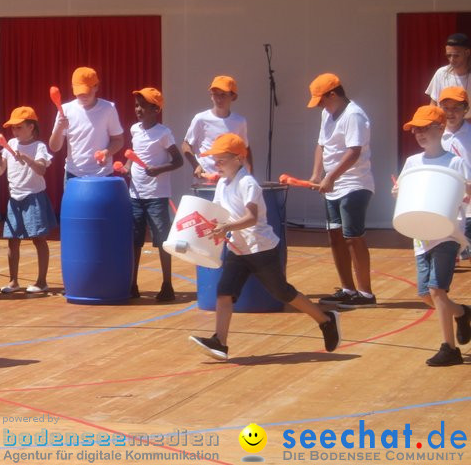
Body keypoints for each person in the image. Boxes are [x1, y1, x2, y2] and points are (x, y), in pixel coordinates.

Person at [188, 134, 341, 361]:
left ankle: (326, 320)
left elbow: (251, 218)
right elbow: (219, 213)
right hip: (237, 249)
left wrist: (226, 226)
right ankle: (220, 341)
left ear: (239, 158)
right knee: (224, 292)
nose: (216, 164)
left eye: (221, 159)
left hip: (261, 248)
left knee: (283, 292)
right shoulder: (222, 184)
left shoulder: (247, 183)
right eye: (215, 160)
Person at [392, 105, 471, 366]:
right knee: (426, 295)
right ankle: (461, 313)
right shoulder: (413, 162)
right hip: (421, 235)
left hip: (447, 231)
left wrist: (466, 192)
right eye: (416, 130)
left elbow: (464, 189)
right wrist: (397, 191)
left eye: (425, 128)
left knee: (437, 290)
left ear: (440, 128)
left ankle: (449, 348)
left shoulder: (455, 161)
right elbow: (403, 189)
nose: (419, 134)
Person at [307, 74, 376, 309]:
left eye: (321, 99)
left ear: (333, 94)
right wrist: (317, 173)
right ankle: (347, 289)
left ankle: (366, 294)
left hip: (354, 184)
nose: (319, 105)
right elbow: (321, 145)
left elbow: (354, 152)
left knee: (352, 237)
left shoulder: (354, 115)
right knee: (335, 236)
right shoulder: (326, 113)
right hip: (333, 186)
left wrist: (330, 177)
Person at [127, 88, 184, 301]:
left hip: (156, 196)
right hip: (135, 195)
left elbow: (178, 161)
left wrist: (158, 169)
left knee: (162, 241)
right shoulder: (134, 130)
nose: (138, 109)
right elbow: (133, 156)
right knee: (134, 241)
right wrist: (126, 166)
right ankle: (132, 283)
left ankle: (167, 285)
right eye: (136, 105)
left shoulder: (164, 133)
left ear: (156, 109)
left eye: (143, 106)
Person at [0, 106, 56, 295]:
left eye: (19, 127)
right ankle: (13, 281)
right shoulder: (10, 144)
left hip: (33, 196)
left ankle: (42, 281)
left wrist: (27, 159)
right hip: (14, 197)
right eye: (13, 127)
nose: (15, 131)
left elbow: (41, 169)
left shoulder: (39, 146)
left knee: (38, 239)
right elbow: (2, 166)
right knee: (12, 240)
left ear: (31, 127)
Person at [48, 67, 125, 179]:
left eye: (87, 91)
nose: (83, 95)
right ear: (73, 88)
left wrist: (106, 153)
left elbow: (118, 140)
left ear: (96, 86)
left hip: (102, 174)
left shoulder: (108, 108)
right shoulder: (65, 110)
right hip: (73, 174)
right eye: (79, 92)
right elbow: (54, 147)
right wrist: (59, 129)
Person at [182, 75, 251, 178]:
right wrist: (196, 165)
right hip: (206, 179)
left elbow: (245, 149)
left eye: (223, 95)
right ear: (211, 96)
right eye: (215, 94)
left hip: (230, 179)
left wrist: (249, 174)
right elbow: (186, 145)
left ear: (233, 96)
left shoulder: (240, 121)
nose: (219, 99)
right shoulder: (200, 118)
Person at [438, 86, 471, 259]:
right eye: (446, 108)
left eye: (456, 108)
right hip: (446, 199)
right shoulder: (435, 133)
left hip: (469, 200)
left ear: (466, 109)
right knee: (449, 250)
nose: (450, 113)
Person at [426, 33, 470, 120]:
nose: (452, 60)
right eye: (449, 55)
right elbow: (433, 105)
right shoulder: (441, 73)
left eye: (456, 55)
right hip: (445, 127)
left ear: (467, 53)